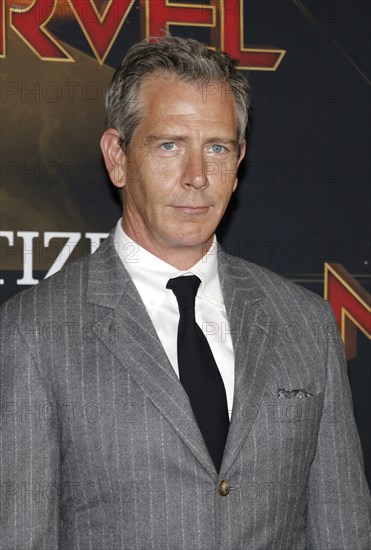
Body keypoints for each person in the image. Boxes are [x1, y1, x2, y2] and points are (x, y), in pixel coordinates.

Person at [1, 36, 370, 550]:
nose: (197, 177)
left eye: (216, 147)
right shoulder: (34, 331)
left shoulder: (305, 322)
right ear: (118, 157)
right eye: (169, 145)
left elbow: (342, 525)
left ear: (239, 160)